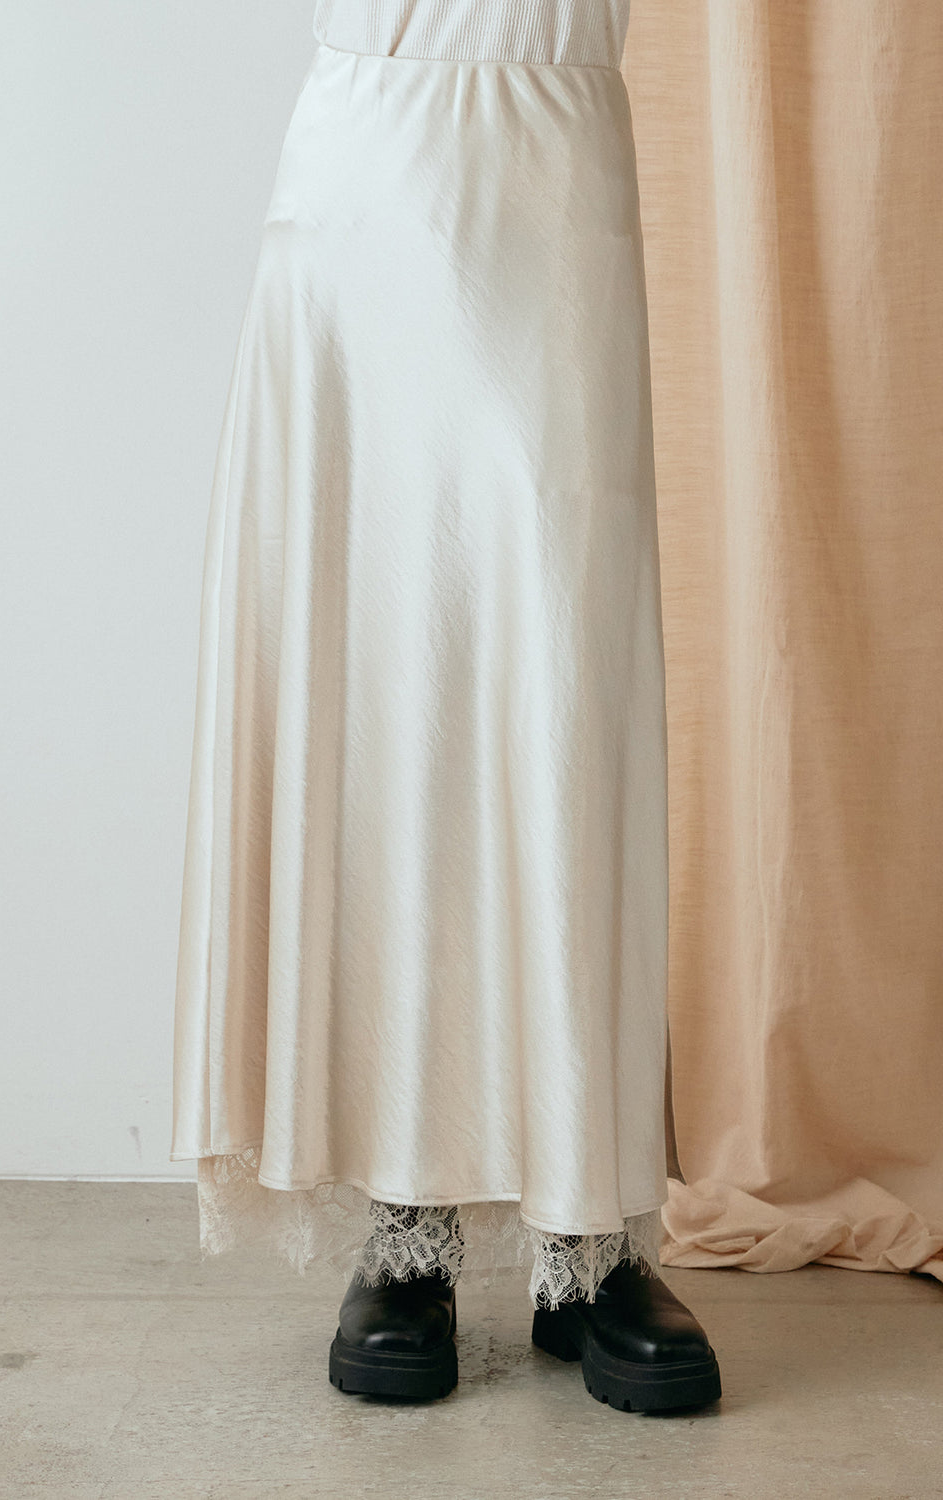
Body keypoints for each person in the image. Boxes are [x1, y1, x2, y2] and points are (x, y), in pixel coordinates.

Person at [171, 0, 722, 1412]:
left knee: (571, 683)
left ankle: (590, 1227)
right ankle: (403, 1220)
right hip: (373, 157)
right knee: (386, 686)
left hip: (558, 139)